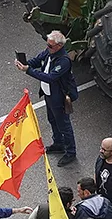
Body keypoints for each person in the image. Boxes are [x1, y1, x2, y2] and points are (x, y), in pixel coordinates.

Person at [16, 30, 78, 166]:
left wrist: (28, 70)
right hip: (49, 94)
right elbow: (37, 60)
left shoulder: (64, 61)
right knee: (52, 120)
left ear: (59, 46)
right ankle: (58, 143)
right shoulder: (49, 51)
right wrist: (24, 63)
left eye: (50, 46)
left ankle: (71, 152)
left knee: (63, 125)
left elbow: (50, 77)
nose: (48, 47)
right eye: (47, 45)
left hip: (58, 97)